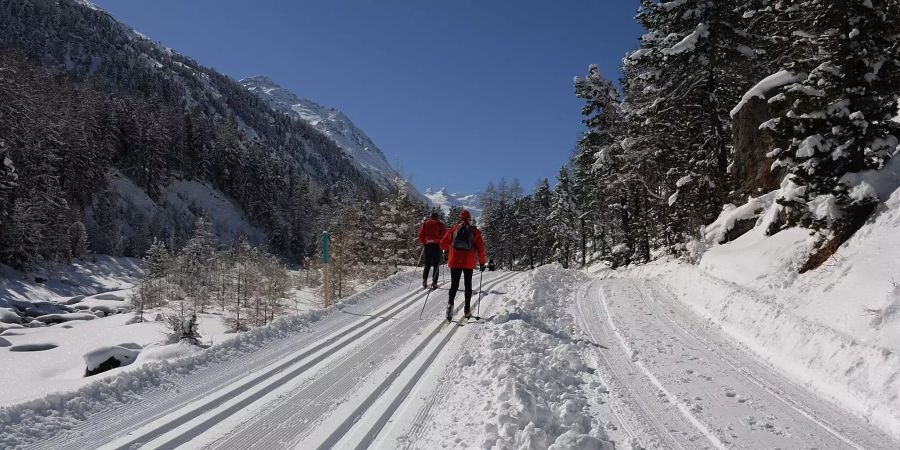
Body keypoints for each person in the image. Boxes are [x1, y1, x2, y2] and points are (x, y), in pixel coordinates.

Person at [439, 209, 486, 321]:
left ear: (460, 218)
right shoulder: (475, 231)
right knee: (468, 285)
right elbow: (481, 249)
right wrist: (482, 262)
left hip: (454, 261)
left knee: (454, 285)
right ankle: (467, 310)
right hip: (468, 262)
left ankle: (450, 305)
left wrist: (446, 248)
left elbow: (442, 245)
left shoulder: (454, 229)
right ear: (469, 219)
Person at [417, 212, 446, 290]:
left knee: (427, 264)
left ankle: (424, 280)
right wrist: (442, 244)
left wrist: (425, 242)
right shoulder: (440, 224)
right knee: (436, 265)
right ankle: (434, 283)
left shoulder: (425, 223)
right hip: (437, 246)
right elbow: (445, 236)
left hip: (428, 245)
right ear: (437, 217)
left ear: (430, 217)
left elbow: (420, 235)